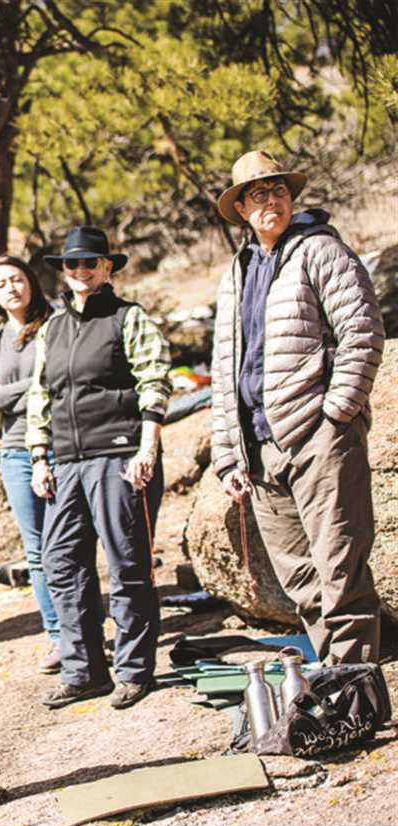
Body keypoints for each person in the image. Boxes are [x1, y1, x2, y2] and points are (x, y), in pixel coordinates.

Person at [210, 150, 384, 664]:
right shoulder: (236, 273)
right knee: (301, 581)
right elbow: (224, 369)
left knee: (341, 575)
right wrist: (227, 454)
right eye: (258, 194)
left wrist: (337, 413)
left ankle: (353, 690)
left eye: (279, 191)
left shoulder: (321, 251)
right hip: (260, 451)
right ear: (240, 208)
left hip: (319, 438)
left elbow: (363, 332)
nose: (271, 201)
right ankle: (334, 683)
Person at [26, 226, 171, 710]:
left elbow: (155, 378)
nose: (81, 271)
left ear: (108, 268)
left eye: (91, 262)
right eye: (72, 264)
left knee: (128, 563)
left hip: (120, 455)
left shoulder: (128, 318)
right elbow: (40, 395)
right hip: (66, 462)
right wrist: (39, 456)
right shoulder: (52, 327)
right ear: (62, 272)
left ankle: (133, 669)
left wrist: (147, 445)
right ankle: (84, 671)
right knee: (62, 566)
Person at [0, 255, 62, 674]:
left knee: (71, 545)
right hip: (15, 451)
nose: (12, 288)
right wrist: (36, 385)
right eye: (2, 284)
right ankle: (59, 636)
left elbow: (64, 378)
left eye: (17, 279)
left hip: (62, 445)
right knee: (38, 550)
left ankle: (85, 627)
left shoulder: (57, 324)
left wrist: (10, 389)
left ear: (31, 282)